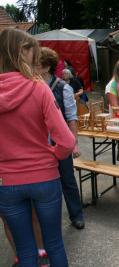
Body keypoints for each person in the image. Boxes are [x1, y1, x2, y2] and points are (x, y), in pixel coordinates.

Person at [0, 28, 74, 266]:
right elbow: (67, 141)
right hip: (44, 177)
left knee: (25, 250)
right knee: (54, 244)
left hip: (7, 182)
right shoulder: (39, 87)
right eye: (33, 50)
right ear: (23, 52)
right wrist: (53, 155)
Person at [37, 47, 85, 230]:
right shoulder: (32, 86)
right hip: (40, 144)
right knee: (44, 184)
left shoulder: (63, 88)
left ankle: (76, 215)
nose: (32, 67)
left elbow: (72, 118)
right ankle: (46, 221)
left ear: (46, 67)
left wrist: (74, 144)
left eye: (36, 64)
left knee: (67, 180)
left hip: (60, 143)